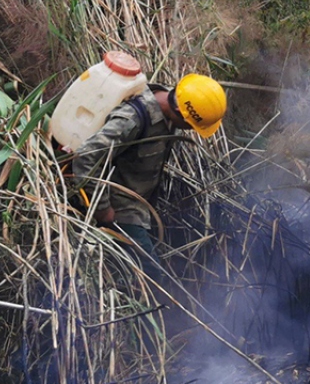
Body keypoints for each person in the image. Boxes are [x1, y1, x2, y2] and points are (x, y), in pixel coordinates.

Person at [69, 72, 227, 270]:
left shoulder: (173, 107)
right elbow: (86, 156)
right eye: (191, 126)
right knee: (150, 274)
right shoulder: (132, 119)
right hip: (121, 208)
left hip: (141, 206)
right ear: (179, 111)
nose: (191, 130)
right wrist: (102, 209)